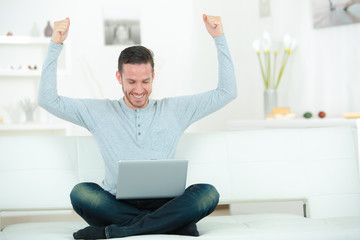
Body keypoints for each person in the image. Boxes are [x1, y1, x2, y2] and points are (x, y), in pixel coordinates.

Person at [38, 14, 237, 239]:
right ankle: (173, 225)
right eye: (131, 82)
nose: (139, 89)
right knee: (81, 193)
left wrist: (219, 37)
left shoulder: (175, 109)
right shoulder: (98, 111)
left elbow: (227, 92)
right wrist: (55, 44)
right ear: (119, 77)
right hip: (116, 202)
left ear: (153, 76)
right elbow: (48, 100)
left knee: (208, 193)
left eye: (145, 81)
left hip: (166, 202)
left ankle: (115, 232)